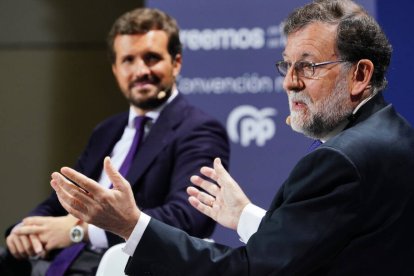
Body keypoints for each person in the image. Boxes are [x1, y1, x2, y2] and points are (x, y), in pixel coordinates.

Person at [49, 0, 414, 275]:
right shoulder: (393, 133)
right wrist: (243, 217)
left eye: (308, 66)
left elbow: (251, 270)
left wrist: (131, 225)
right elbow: (315, 245)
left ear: (361, 74)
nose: (290, 82)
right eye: (287, 66)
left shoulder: (339, 160)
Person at [0, 7, 230, 276]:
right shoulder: (107, 130)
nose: (140, 70)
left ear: (176, 63)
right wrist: (24, 230)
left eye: (152, 58)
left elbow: (188, 219)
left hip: (122, 264)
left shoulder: (199, 129)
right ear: (115, 69)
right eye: (128, 60)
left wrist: (80, 232)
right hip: (60, 262)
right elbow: (60, 201)